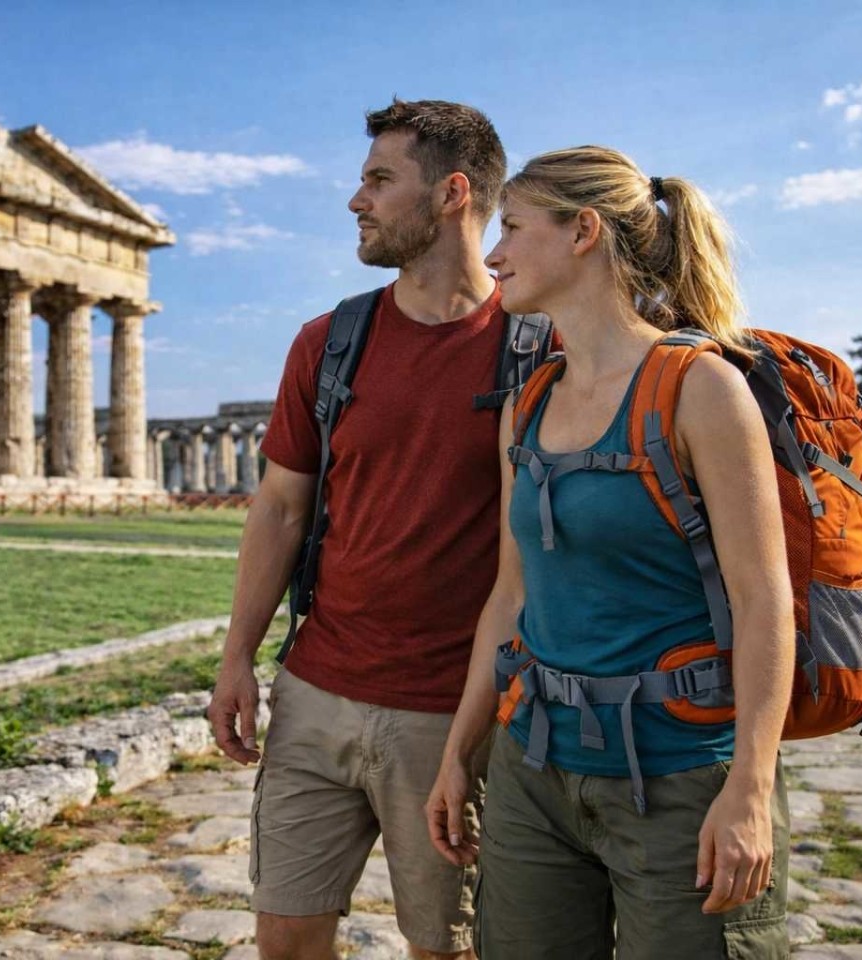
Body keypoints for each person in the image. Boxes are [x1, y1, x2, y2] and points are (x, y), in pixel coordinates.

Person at [425, 146, 794, 958]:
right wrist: (462, 751)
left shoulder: (702, 389)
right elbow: (509, 597)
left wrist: (751, 789)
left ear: (583, 231)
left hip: (683, 777)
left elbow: (766, 601)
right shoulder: (524, 404)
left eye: (513, 229)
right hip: (535, 771)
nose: (492, 255)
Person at [208, 99, 516, 960]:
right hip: (314, 695)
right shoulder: (329, 341)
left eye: (380, 180)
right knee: (286, 941)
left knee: (445, 948)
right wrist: (238, 656)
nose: (357, 200)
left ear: (453, 193)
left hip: (453, 715)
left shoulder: (534, 348)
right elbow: (279, 508)